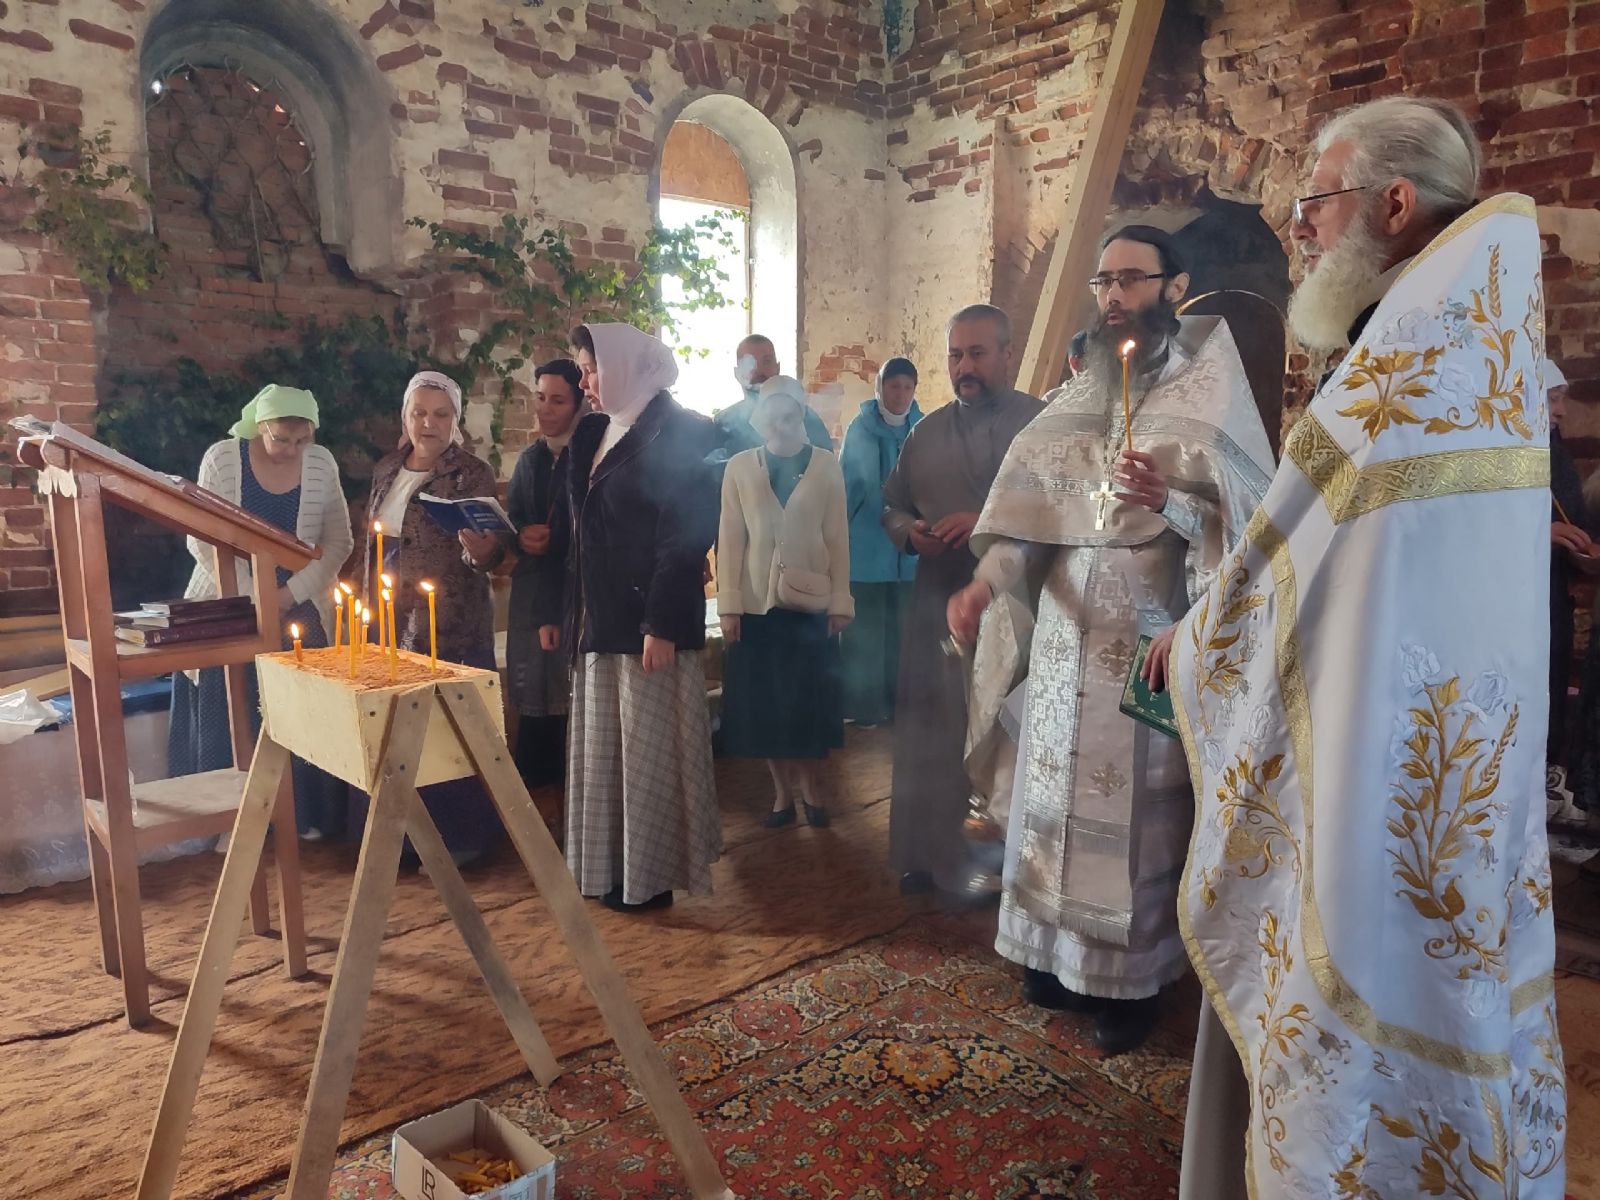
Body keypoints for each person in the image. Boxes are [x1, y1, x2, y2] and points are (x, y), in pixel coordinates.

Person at [1161, 97, 1565, 1198]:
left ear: (1393, 203)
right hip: (1439, 745)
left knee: (1361, 973)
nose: (1296, 227)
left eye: (1313, 200)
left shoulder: (1417, 358)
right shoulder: (1461, 331)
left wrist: (1198, 643)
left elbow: (1300, 561)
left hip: (1379, 752)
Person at [948, 226, 1274, 1055]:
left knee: (1133, 814)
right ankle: (1051, 958)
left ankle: (1129, 986)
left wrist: (1171, 496)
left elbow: (1253, 531)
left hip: (1149, 630)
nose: (1113, 295)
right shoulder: (1077, 397)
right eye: (1103, 281)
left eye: (1131, 279)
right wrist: (987, 583)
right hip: (1062, 637)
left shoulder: (1211, 394)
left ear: (1175, 284)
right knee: (1049, 796)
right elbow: (1032, 518)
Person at [538, 322, 722, 912]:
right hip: (599, 622)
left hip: (647, 626)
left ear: (620, 365)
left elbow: (686, 536)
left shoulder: (685, 430)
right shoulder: (592, 430)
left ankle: (650, 880)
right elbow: (573, 537)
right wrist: (560, 609)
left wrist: (662, 624)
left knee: (645, 758)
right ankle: (610, 871)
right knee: (605, 758)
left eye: (589, 369)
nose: (584, 382)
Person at [883, 304, 1043, 898]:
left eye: (977, 353)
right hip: (935, 591)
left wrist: (986, 520)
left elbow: (1059, 510)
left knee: (1002, 732)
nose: (964, 366)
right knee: (932, 723)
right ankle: (926, 853)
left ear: (1006, 352)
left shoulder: (1041, 424)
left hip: (1015, 599)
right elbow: (892, 503)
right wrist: (909, 532)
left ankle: (1006, 864)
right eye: (955, 355)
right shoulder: (925, 432)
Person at [171, 384, 354, 838]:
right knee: (227, 696)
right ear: (259, 427)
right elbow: (201, 537)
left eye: (301, 440)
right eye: (280, 440)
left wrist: (290, 595)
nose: (291, 450)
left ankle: (302, 816)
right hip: (226, 597)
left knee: (301, 702)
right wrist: (256, 599)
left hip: (299, 598)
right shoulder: (222, 459)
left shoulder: (321, 463)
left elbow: (339, 542)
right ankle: (228, 825)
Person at [351, 371, 506, 867]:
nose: (428, 423)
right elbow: (370, 543)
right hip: (386, 617)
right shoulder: (386, 468)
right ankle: (398, 842)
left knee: (448, 733)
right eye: (419, 412)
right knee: (393, 729)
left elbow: (487, 555)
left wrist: (481, 552)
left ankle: (460, 840)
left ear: (455, 421)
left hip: (448, 618)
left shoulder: (472, 473)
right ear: (405, 416)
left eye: (441, 414)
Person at [717, 376, 852, 825]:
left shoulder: (825, 465)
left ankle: (813, 790)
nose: (781, 425)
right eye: (772, 417)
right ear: (760, 420)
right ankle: (781, 795)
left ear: (801, 417)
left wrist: (840, 602)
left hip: (810, 606)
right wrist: (729, 604)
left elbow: (837, 539)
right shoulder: (739, 467)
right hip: (757, 608)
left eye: (789, 415)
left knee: (807, 706)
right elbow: (730, 540)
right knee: (768, 708)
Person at [501, 358, 584, 797]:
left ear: (578, 402)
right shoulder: (532, 458)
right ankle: (538, 810)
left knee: (570, 704)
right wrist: (520, 536)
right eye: (540, 397)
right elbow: (514, 517)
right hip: (531, 597)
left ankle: (574, 811)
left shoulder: (590, 455)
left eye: (558, 400)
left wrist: (555, 541)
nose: (545, 409)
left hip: (572, 596)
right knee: (533, 703)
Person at [838, 357, 923, 726]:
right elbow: (848, 487)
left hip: (910, 552)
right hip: (868, 550)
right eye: (893, 386)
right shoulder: (861, 429)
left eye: (907, 387)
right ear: (880, 388)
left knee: (903, 633)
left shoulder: (922, 428)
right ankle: (863, 707)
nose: (901, 395)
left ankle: (896, 704)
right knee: (866, 635)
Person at [1541, 360, 1595, 818]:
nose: (1560, 411)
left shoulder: (1556, 457)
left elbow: (1577, 521)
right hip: (1515, 605)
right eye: (1552, 398)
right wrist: (1543, 533)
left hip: (1554, 598)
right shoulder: (1499, 456)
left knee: (1555, 695)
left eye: (1561, 399)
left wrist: (1585, 543)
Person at [709, 333, 833, 475]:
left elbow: (828, 472)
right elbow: (712, 480)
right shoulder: (723, 423)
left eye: (766, 362)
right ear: (737, 373)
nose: (759, 371)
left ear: (777, 368)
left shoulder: (807, 418)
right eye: (749, 363)